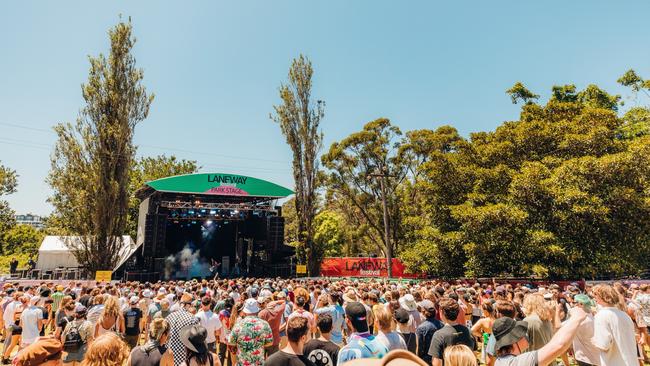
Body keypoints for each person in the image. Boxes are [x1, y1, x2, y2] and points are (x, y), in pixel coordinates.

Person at [492, 305, 588, 366]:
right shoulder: (518, 362)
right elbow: (559, 346)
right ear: (514, 340)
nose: (525, 335)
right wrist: (577, 317)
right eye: (521, 332)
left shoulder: (500, 361)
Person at [591, 284, 638, 366]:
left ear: (602, 297)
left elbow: (603, 344)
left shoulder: (602, 315)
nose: (594, 298)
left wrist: (594, 340)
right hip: (631, 362)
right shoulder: (624, 315)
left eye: (596, 295)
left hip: (615, 362)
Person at [428, 298, 475, 366]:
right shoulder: (468, 331)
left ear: (441, 312)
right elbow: (474, 355)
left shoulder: (439, 335)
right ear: (458, 312)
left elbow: (437, 363)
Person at [227, 298, 273, 366]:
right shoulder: (265, 324)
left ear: (245, 311)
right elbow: (269, 343)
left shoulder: (238, 325)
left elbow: (231, 343)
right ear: (257, 310)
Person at [162, 293, 200, 366]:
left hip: (168, 354)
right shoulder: (192, 319)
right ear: (188, 305)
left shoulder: (170, 316)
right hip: (183, 355)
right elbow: (195, 340)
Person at [571, 294, 600, 366]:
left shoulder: (578, 319)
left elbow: (558, 326)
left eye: (574, 302)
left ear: (581, 304)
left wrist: (556, 312)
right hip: (596, 354)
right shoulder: (594, 315)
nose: (572, 304)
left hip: (583, 356)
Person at [416, 299, 443, 364]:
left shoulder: (421, 328)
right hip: (440, 357)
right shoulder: (442, 324)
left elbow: (420, 347)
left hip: (426, 359)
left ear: (423, 312)